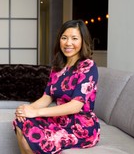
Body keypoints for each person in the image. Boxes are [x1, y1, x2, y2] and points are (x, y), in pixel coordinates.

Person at [13, 19, 100, 154]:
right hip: (60, 121)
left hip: (81, 127)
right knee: (21, 121)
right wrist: (27, 109)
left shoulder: (87, 66)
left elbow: (75, 106)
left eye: (74, 38)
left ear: (83, 41)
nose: (68, 43)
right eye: (64, 38)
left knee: (31, 133)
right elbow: (47, 97)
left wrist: (35, 112)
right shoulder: (58, 67)